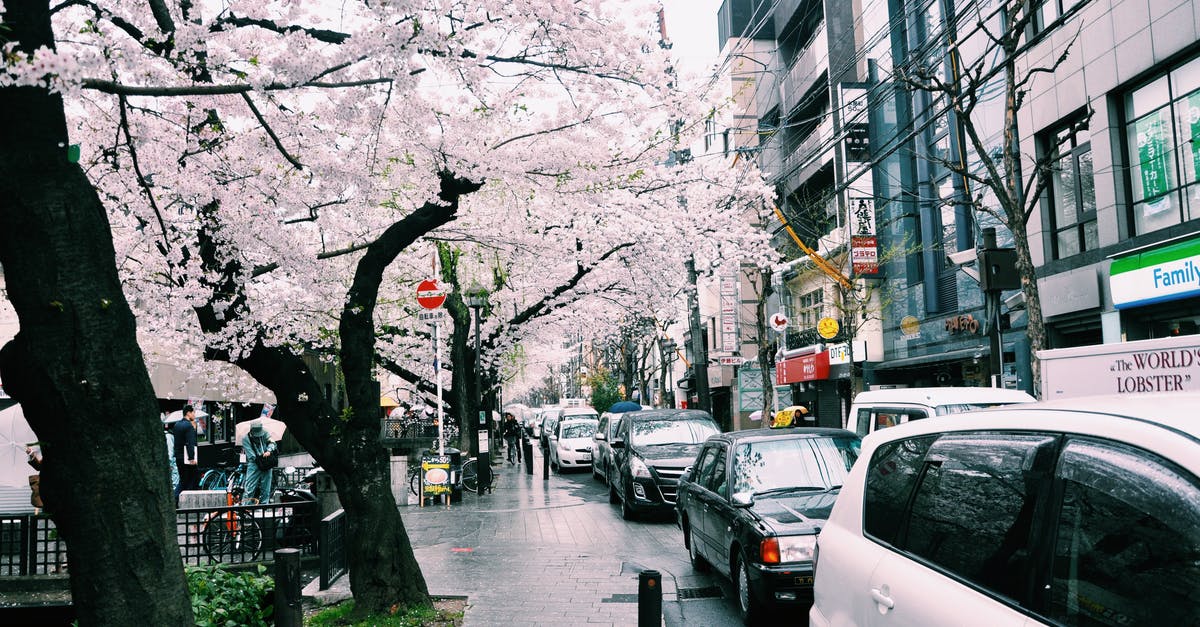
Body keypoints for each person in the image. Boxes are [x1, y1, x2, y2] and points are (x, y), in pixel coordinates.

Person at [241, 420, 278, 504]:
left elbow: (273, 443)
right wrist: (261, 457)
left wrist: (269, 450)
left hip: (266, 462)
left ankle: (265, 504)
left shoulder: (264, 433)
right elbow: (251, 455)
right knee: (250, 486)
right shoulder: (245, 439)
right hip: (254, 464)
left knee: (266, 486)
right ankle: (246, 506)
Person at [172, 405, 200, 505]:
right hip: (187, 458)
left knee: (183, 480)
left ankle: (175, 500)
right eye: (193, 412)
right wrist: (191, 458)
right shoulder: (188, 426)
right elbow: (190, 443)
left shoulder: (176, 425)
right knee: (194, 479)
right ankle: (182, 501)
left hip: (179, 457)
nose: (194, 415)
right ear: (188, 413)